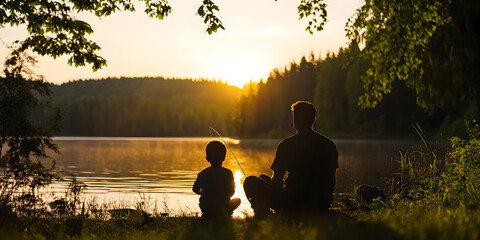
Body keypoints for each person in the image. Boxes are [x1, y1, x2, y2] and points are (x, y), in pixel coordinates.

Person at [244, 101, 338, 217]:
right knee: (264, 178)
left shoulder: (287, 144)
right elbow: (331, 180)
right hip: (322, 202)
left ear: (296, 121)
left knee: (251, 181)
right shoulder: (329, 144)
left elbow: (277, 180)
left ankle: (263, 213)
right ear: (313, 119)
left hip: (292, 202)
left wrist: (274, 193)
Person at [193, 140, 241, 222]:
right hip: (223, 207)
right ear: (223, 157)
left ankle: (210, 215)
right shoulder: (228, 173)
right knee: (237, 200)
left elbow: (195, 189)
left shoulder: (203, 174)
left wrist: (205, 193)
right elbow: (231, 192)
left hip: (206, 208)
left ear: (207, 158)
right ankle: (225, 213)